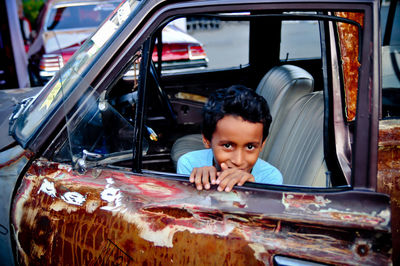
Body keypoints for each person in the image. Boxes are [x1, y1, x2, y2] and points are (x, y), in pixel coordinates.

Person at [177, 85, 282, 192]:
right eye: (227, 145)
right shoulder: (190, 164)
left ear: (262, 144)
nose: (238, 161)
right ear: (207, 140)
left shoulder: (270, 178)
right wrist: (198, 187)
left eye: (250, 147)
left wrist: (252, 191)